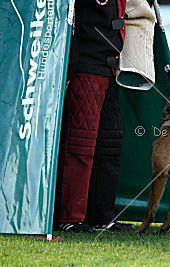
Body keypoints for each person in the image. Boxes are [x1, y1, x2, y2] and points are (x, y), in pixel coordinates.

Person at [54, 0, 135, 233]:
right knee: (80, 144)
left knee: (110, 146)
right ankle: (70, 218)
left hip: (110, 68)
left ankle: (101, 217)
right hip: (86, 65)